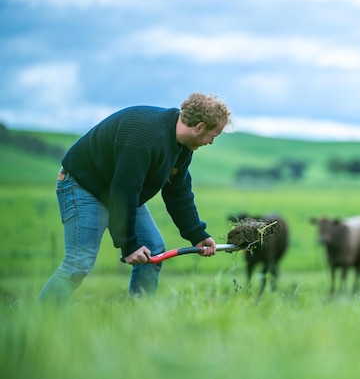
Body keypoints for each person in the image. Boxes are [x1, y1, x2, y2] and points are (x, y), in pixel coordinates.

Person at [38, 92, 231, 305]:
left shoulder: (183, 148)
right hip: (83, 185)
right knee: (79, 263)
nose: (212, 142)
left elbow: (178, 192)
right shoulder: (145, 136)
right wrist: (128, 244)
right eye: (213, 135)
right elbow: (124, 190)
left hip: (118, 190)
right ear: (199, 127)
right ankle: (40, 317)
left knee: (153, 249)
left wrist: (196, 233)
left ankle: (137, 316)